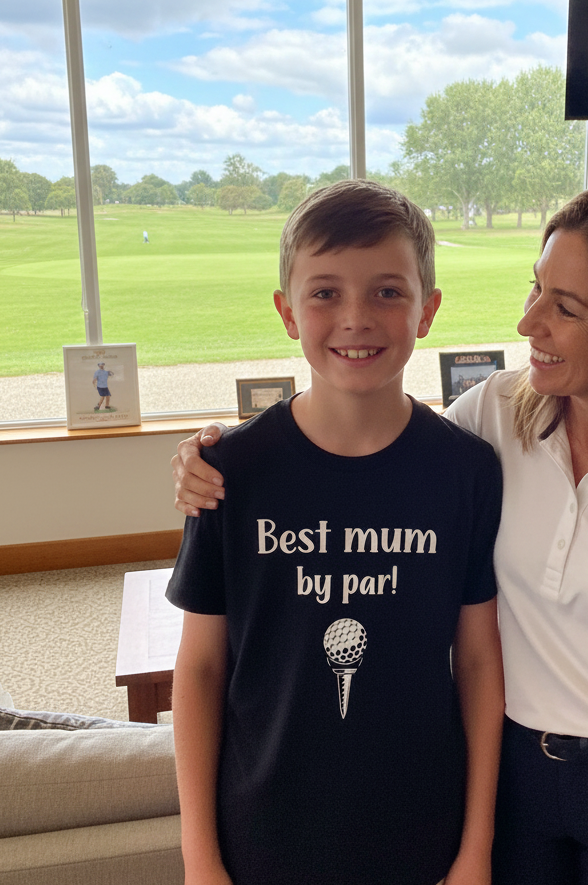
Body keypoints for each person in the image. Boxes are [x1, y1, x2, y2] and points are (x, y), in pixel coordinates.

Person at [173, 180, 588, 885]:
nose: (527, 323)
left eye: (564, 306)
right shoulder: (496, 414)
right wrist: (210, 453)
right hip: (510, 771)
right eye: (535, 289)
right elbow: (376, 437)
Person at [167, 180, 505, 885]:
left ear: (428, 309)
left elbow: (476, 662)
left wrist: (474, 849)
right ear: (287, 312)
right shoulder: (229, 469)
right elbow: (199, 668)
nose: (356, 318)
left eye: (387, 291)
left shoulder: (465, 470)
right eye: (324, 293)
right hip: (262, 831)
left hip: (421, 826)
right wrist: (200, 861)